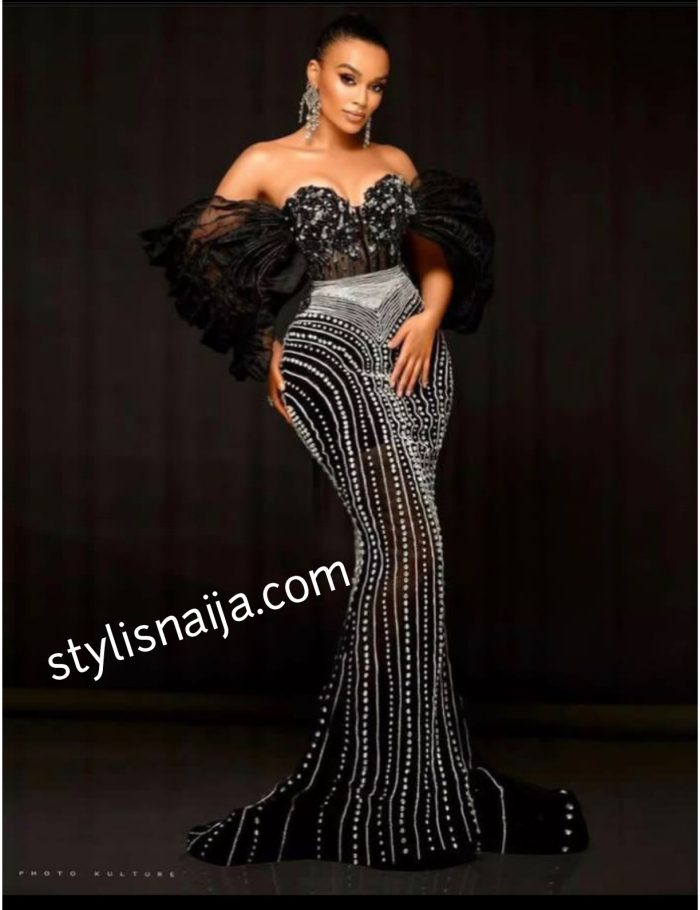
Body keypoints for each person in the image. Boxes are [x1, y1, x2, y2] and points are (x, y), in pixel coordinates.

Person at [139, 13, 589, 872]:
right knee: (411, 548)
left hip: (414, 353)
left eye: (377, 85)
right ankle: (395, 792)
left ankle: (389, 777)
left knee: (397, 558)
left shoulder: (396, 164)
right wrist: (263, 345)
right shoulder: (266, 161)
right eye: (348, 78)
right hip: (329, 348)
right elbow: (199, 256)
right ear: (315, 74)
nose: (362, 98)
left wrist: (430, 316)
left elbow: (437, 257)